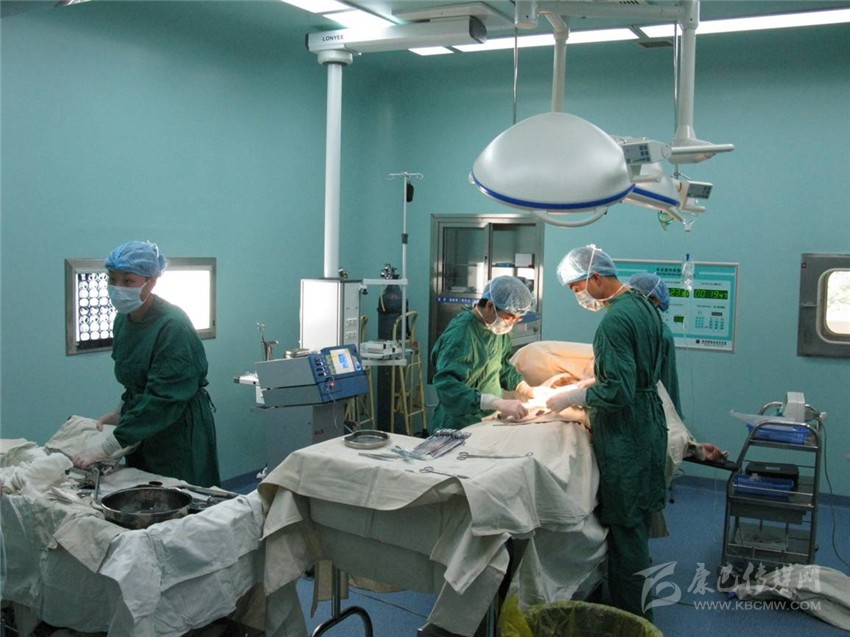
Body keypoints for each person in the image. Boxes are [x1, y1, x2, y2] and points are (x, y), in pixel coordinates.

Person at [545, 245, 667, 621]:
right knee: (638, 523)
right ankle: (637, 606)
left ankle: (632, 620)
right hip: (647, 425)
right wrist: (596, 379)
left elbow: (619, 391)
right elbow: (636, 373)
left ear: (595, 278)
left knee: (626, 528)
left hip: (626, 433)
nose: (578, 297)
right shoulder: (643, 306)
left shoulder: (614, 321)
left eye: (576, 288)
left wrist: (573, 396)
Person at [73, 241, 221, 487]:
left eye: (128, 281)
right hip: (143, 423)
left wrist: (107, 447)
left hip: (177, 426)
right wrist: (121, 410)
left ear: (151, 282)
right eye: (112, 279)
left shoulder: (173, 326)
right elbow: (135, 377)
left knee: (182, 494)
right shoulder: (123, 320)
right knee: (141, 491)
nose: (118, 287)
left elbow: (164, 398)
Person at [430, 276, 536, 431]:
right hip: (459, 424)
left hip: (488, 419)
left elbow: (500, 365)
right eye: (510, 317)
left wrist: (524, 388)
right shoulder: (460, 333)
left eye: (517, 319)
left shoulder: (496, 329)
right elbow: (447, 386)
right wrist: (494, 402)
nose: (512, 323)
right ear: (490, 306)